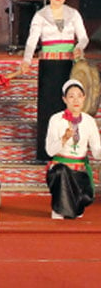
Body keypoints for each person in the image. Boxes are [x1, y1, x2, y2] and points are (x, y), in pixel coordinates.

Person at [22, 0, 88, 160]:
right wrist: (27, 60)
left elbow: (83, 38)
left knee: (68, 107)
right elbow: (32, 40)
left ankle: (70, 150)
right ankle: (46, 153)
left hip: (68, 66)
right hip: (49, 68)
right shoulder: (41, 15)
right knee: (49, 108)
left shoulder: (73, 14)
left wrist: (78, 47)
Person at [45, 79, 100, 219]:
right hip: (60, 172)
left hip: (79, 172)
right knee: (61, 172)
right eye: (71, 96)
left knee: (84, 199)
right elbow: (49, 151)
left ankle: (72, 206)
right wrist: (63, 138)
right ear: (64, 99)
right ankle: (60, 210)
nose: (75, 100)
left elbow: (97, 151)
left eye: (79, 96)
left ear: (84, 98)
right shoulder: (56, 119)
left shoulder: (89, 121)